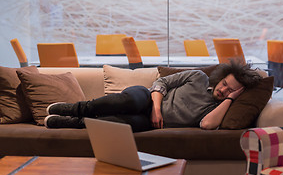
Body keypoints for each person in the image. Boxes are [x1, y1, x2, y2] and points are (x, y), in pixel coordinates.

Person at [44, 59, 261, 131]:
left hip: (148, 122)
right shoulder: (198, 77)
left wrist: (231, 99)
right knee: (128, 100)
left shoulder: (219, 109)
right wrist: (157, 108)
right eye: (224, 84)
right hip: (147, 99)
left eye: (231, 91)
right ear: (220, 77)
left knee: (117, 125)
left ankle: (75, 122)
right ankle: (75, 108)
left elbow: (206, 125)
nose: (223, 90)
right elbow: (161, 82)